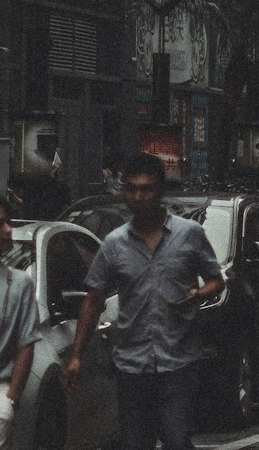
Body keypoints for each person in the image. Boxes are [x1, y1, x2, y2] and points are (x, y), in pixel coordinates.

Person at [64, 153, 225, 450]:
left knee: (177, 440)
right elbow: (93, 300)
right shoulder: (114, 244)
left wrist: (198, 294)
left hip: (179, 363)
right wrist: (76, 355)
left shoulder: (189, 234)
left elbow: (217, 280)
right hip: (132, 366)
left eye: (147, 189)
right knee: (136, 442)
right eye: (131, 189)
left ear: (161, 191)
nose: (138, 196)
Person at [0, 195, 41, 450]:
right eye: (0, 224)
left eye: (8, 222)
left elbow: (26, 343)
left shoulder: (19, 283)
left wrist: (10, 400)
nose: (8, 230)